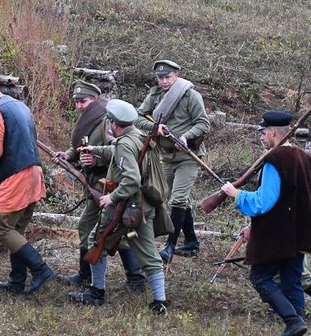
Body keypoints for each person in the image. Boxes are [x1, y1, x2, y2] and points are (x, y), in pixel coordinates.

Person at [220, 110, 311, 336]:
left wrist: (237, 194)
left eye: (263, 132)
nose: (262, 136)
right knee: (292, 282)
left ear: (273, 132)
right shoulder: (305, 158)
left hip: (278, 235)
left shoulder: (275, 159)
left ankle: (293, 321)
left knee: (260, 277)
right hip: (299, 233)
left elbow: (264, 202)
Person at [70, 100, 168, 313]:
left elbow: (131, 179)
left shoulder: (123, 143)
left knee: (96, 242)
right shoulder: (137, 136)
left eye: (110, 122)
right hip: (142, 208)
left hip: (124, 207)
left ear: (114, 124)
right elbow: (116, 151)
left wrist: (112, 198)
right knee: (149, 253)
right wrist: (95, 149)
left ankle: (96, 293)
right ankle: (159, 300)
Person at [54, 80, 146, 291]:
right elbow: (82, 144)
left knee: (96, 228)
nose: (79, 106)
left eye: (83, 101)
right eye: (76, 102)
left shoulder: (107, 120)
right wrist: (68, 155)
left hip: (108, 184)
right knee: (111, 230)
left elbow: (117, 150)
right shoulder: (89, 119)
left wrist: (97, 161)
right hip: (95, 184)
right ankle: (133, 277)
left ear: (95, 99)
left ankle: (94, 277)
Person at [0, 73, 54, 295]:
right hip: (34, 172)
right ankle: (16, 281)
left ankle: (40, 269)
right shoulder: (19, 106)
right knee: (16, 230)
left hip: (17, 176)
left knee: (1, 228)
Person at [135, 60, 211, 262]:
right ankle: (192, 243)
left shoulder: (190, 95)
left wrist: (186, 137)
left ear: (176, 75)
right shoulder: (155, 95)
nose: (164, 81)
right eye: (160, 77)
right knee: (167, 197)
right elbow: (138, 117)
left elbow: (203, 123)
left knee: (177, 199)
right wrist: (155, 129)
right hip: (166, 156)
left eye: (168, 77)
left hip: (188, 156)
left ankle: (170, 246)